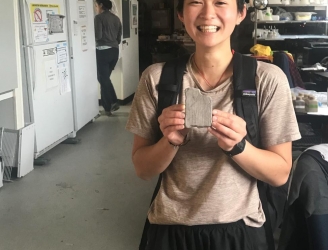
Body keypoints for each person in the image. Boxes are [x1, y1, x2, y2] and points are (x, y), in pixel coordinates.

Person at [126, 0, 301, 249]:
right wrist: (170, 142)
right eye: (196, 2)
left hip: (241, 230)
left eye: (220, 2)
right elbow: (143, 169)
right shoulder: (155, 78)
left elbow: (280, 173)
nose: (208, 14)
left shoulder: (267, 80)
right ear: (181, 14)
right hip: (169, 229)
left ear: (241, 13)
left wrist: (239, 146)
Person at [94, 0, 122, 116]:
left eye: (96, 5)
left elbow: (98, 36)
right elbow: (119, 38)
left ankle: (113, 102)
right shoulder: (116, 18)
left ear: (101, 5)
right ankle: (107, 108)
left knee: (103, 79)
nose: (95, 8)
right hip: (114, 52)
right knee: (104, 79)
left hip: (103, 51)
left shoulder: (99, 18)